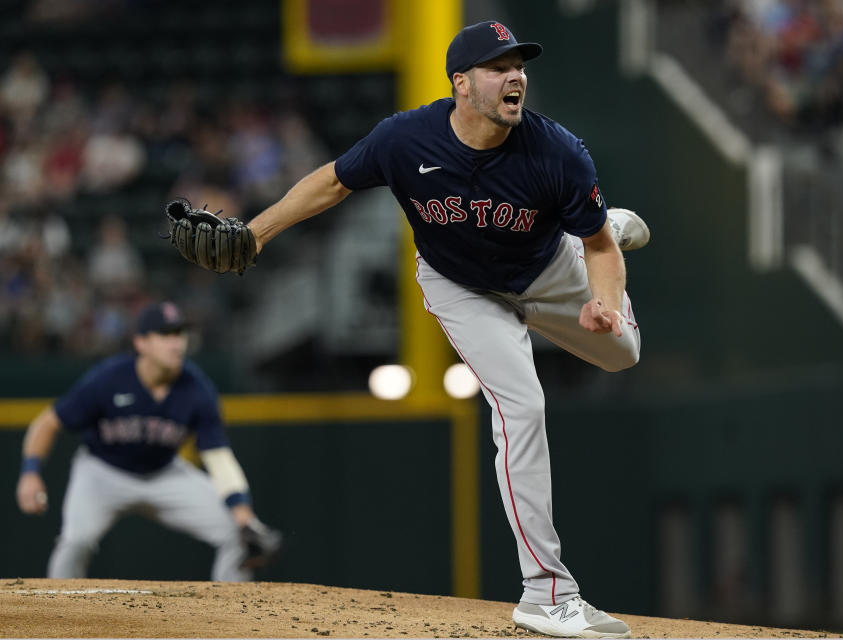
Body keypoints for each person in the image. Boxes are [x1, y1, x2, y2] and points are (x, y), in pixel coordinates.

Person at [243, 20, 646, 638]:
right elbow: (329, 182)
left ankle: (612, 220)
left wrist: (606, 302)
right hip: (462, 285)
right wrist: (253, 234)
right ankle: (547, 593)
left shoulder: (557, 150)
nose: (515, 76)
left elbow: (595, 250)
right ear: (461, 83)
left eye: (519, 66)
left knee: (623, 354)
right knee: (522, 407)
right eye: (497, 66)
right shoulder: (406, 139)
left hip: (550, 267)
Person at [16, 301, 271, 581]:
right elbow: (48, 422)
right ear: (141, 343)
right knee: (77, 540)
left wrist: (244, 515)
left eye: (180, 334)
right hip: (102, 472)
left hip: (164, 474)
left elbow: (218, 457)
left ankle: (234, 618)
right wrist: (30, 473)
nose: (176, 343)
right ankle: (56, 615)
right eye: (165, 335)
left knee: (239, 534)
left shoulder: (198, 390)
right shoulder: (109, 378)